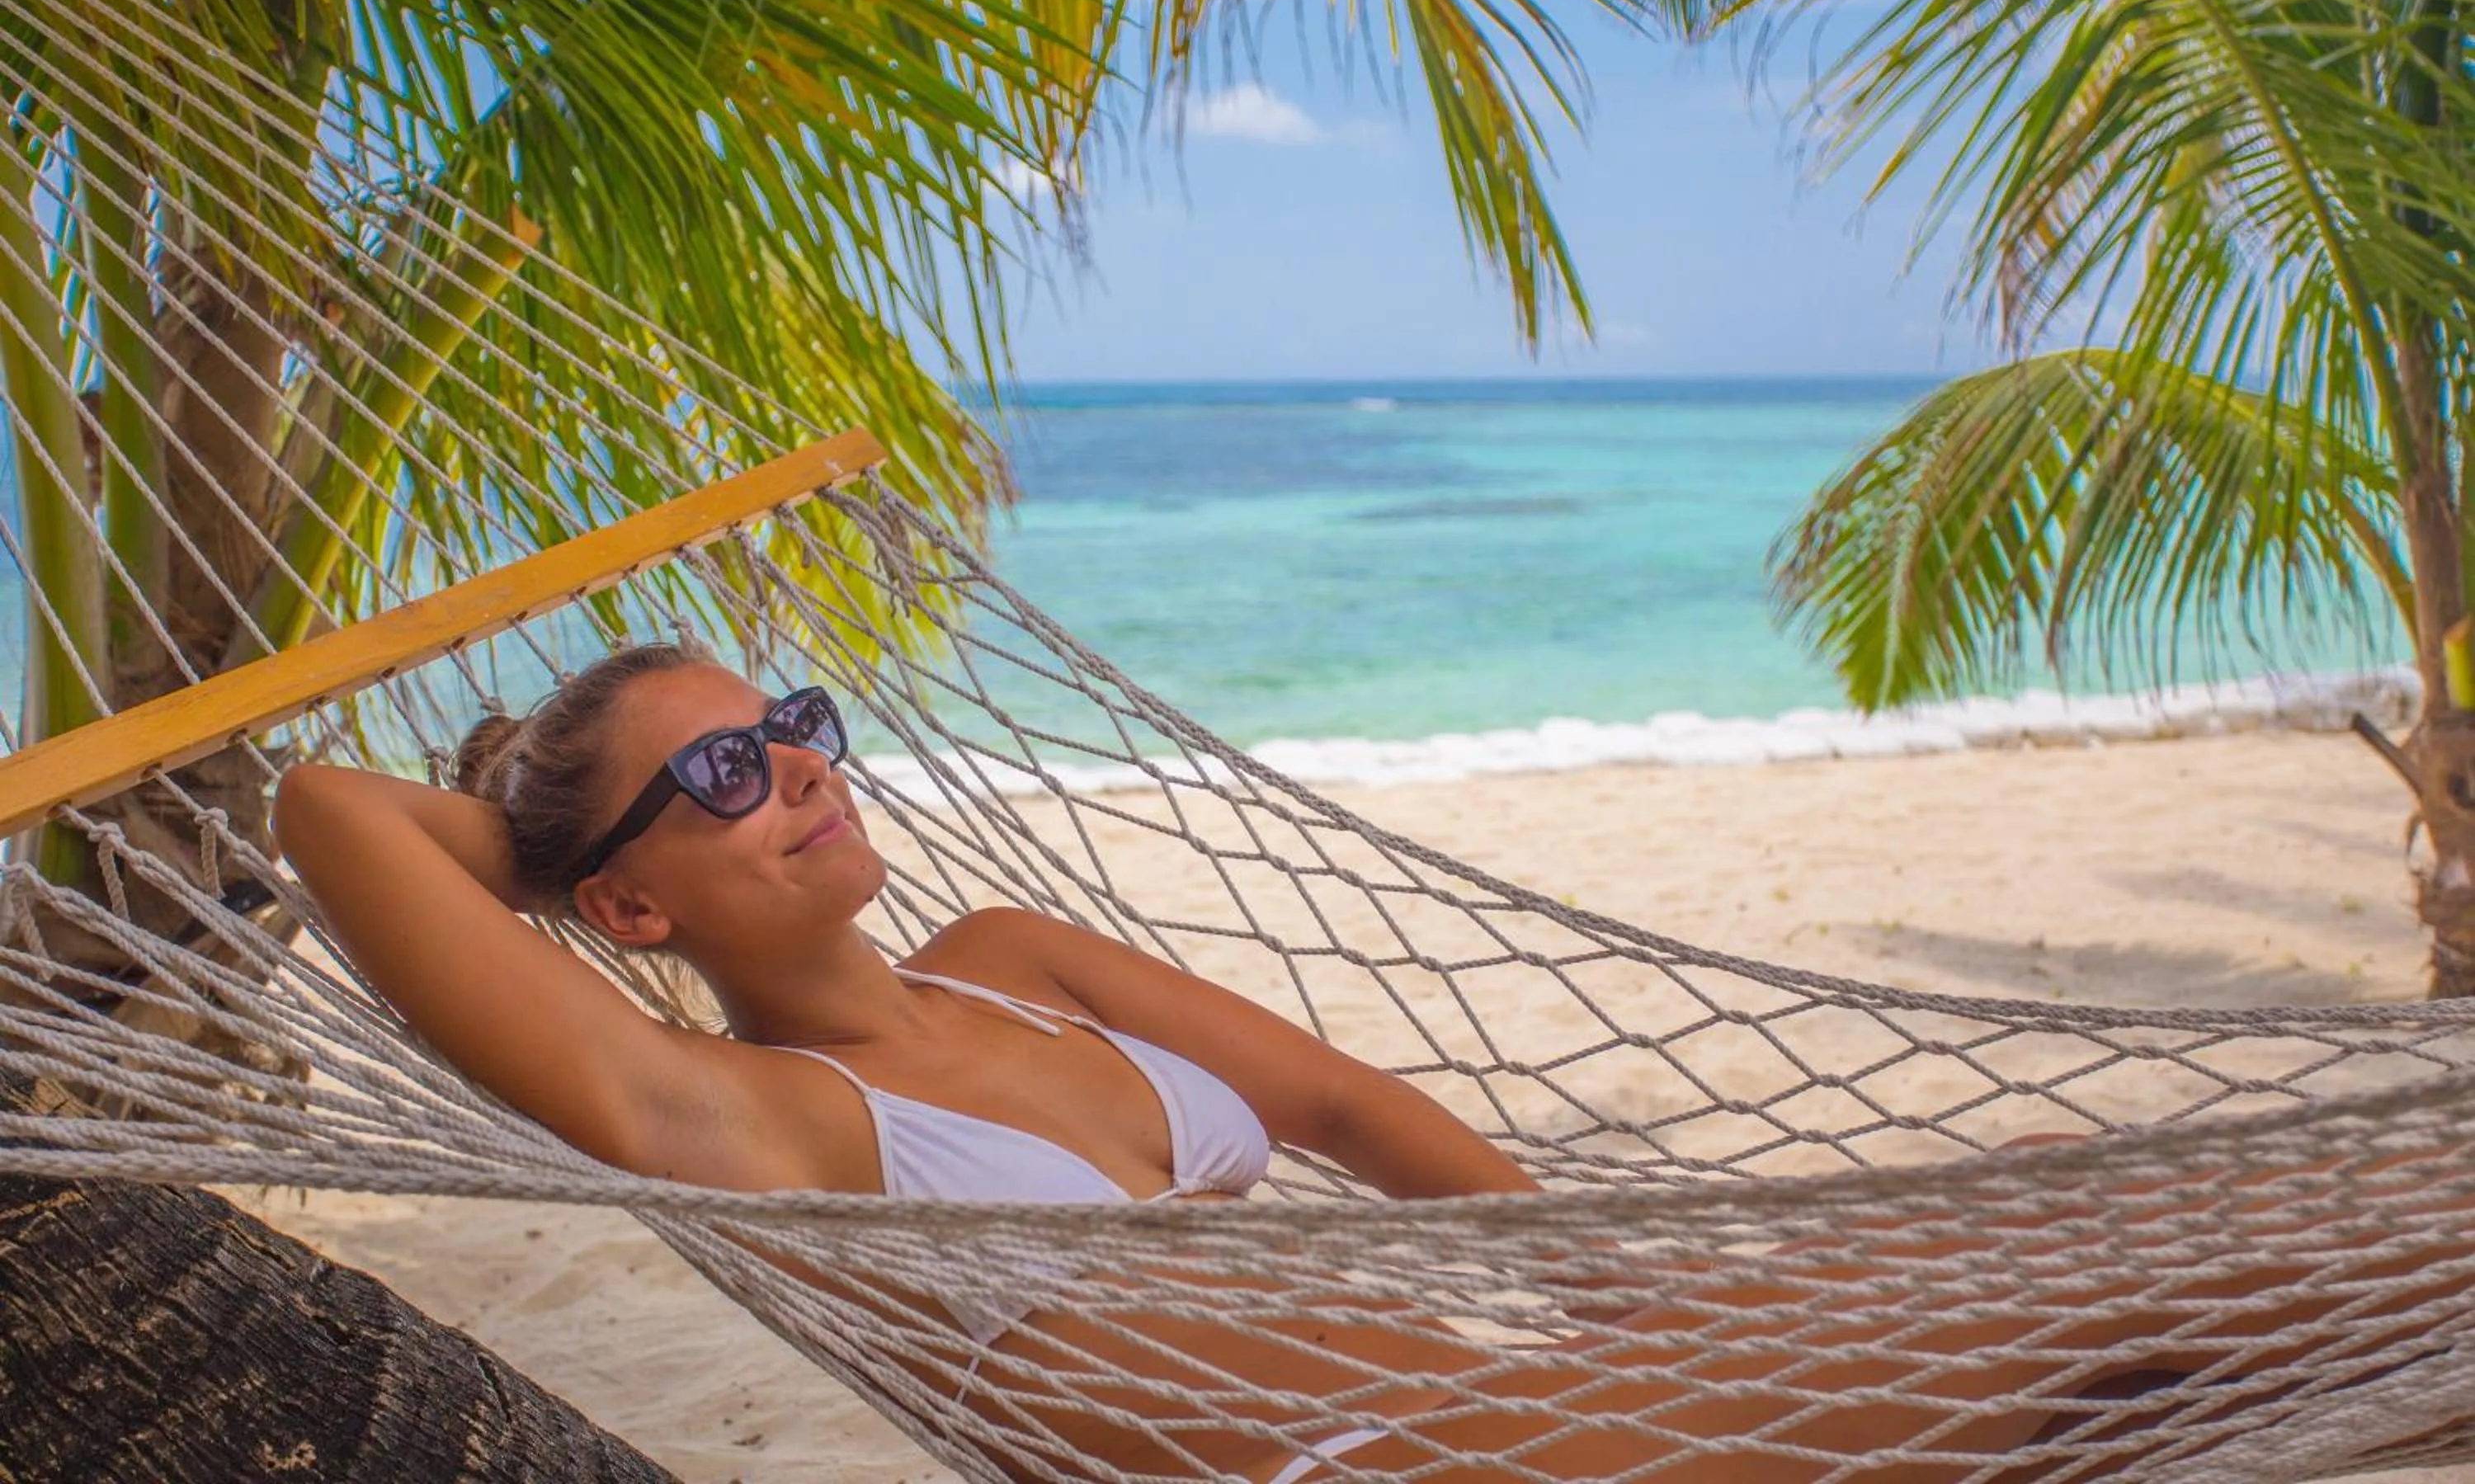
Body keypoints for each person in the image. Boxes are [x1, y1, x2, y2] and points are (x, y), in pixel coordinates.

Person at [271, 644, 2422, 1484]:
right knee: (2145, 1283)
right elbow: (332, 814)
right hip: (1418, 1469)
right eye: (730, 771)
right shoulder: (774, 1135)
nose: (803, 773)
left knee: (2083, 1196)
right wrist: (558, 862)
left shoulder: (1012, 959)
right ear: (627, 913)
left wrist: (1632, 1284)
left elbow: (1345, 1108)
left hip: (1570, 1385)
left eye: (801, 723)